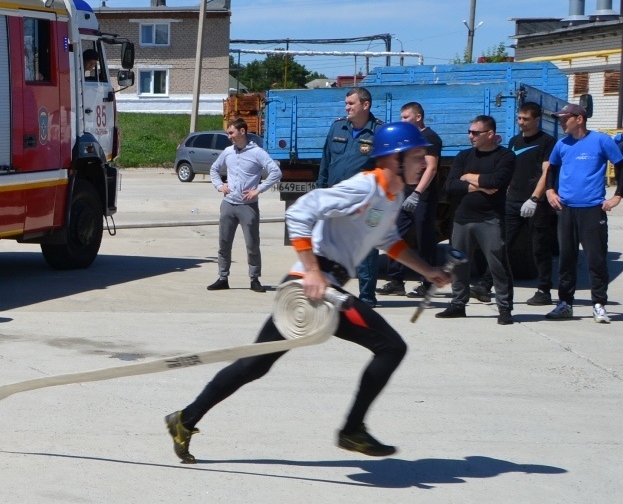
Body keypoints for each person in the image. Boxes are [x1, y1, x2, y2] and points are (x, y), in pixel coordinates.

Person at [165, 120, 451, 463]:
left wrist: (429, 272)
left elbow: (387, 241)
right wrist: (313, 272)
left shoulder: (392, 195)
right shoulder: (364, 188)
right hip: (310, 286)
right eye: (418, 155)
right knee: (391, 346)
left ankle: (184, 419)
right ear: (394, 159)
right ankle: (352, 430)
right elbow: (300, 212)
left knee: (255, 366)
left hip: (322, 288)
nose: (424, 162)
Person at [532, 101, 623, 323]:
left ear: (579, 119)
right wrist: (551, 191)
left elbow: (621, 166)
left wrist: (618, 196)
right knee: (567, 258)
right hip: (566, 210)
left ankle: (599, 304)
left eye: (565, 118)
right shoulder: (562, 145)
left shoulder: (601, 140)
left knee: (596, 259)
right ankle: (565, 304)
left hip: (592, 209)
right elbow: (551, 169)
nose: (562, 122)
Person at [437, 114, 516, 323]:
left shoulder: (505, 156)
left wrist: (469, 177)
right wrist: (481, 185)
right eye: (469, 131)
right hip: (462, 218)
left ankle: (505, 308)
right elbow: (451, 185)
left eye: (475, 132)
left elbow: (497, 181)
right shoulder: (463, 156)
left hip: (490, 219)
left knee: (498, 264)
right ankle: (457, 303)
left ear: (490, 134)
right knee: (459, 264)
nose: (470, 135)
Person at [317, 86, 382, 301]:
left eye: (351, 103)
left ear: (365, 105)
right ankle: (331, 290)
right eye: (346, 104)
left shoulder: (379, 132)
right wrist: (321, 191)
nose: (347, 108)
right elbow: (326, 161)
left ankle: (367, 297)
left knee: (367, 249)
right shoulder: (337, 128)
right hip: (335, 198)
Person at [206, 116, 281, 292]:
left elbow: (275, 172)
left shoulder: (257, 153)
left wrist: (259, 190)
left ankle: (254, 279)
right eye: (227, 133)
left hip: (248, 206)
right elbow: (214, 169)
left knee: (252, 244)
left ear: (242, 131)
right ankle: (223, 277)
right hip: (228, 205)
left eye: (231, 132)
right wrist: (219, 185)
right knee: (224, 243)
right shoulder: (228, 152)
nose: (229, 136)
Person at [379, 102, 443, 297]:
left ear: (418, 117)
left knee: (424, 236)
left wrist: (417, 194)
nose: (403, 120)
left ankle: (427, 283)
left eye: (406, 117)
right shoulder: (408, 138)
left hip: (422, 195)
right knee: (397, 232)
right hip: (405, 191)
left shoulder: (430, 138)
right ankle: (396, 280)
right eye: (402, 117)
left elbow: (430, 168)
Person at [504, 102, 558, 305]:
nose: (521, 122)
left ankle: (544, 290)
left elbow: (547, 171)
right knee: (502, 244)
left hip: (536, 203)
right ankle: (486, 283)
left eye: (526, 119)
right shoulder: (514, 141)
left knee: (539, 248)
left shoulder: (547, 142)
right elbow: (510, 168)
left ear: (537, 120)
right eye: (519, 118)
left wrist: (535, 198)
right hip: (513, 201)